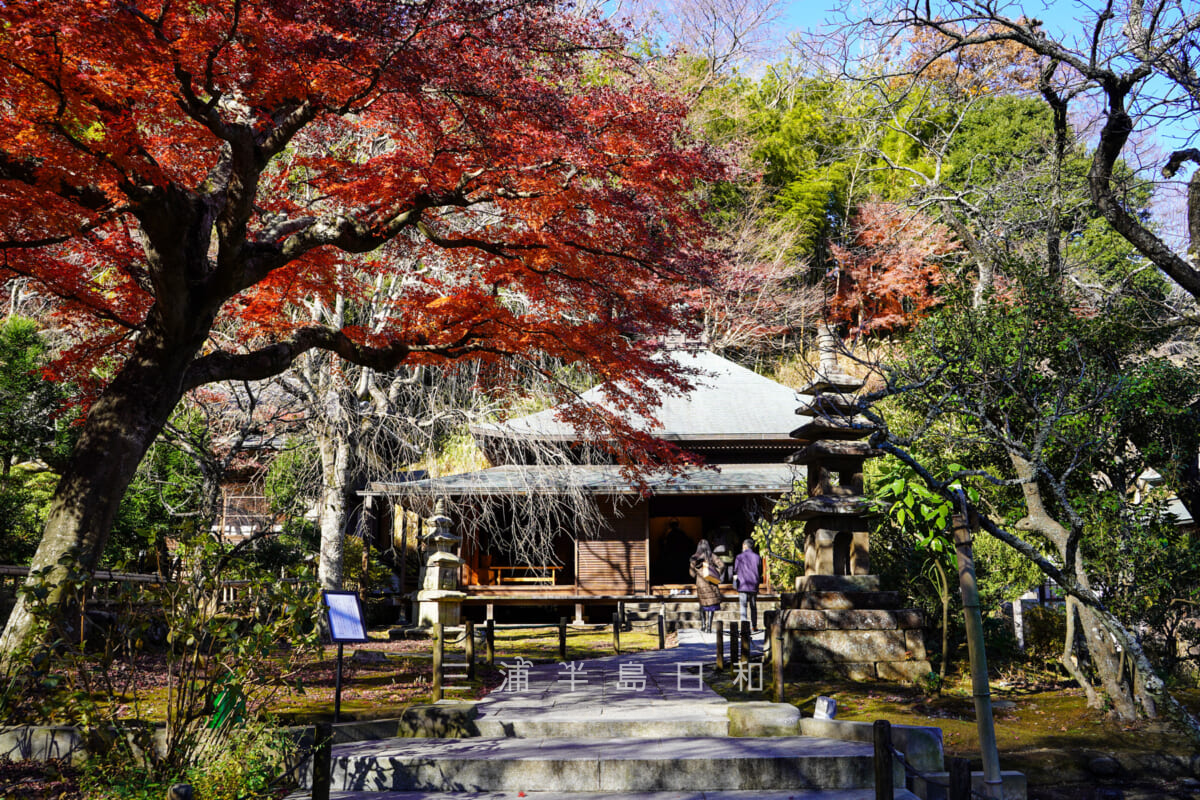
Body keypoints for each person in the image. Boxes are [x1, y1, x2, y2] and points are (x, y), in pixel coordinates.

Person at [688, 539, 723, 633]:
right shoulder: (712, 556)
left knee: (702, 603)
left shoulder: (694, 557)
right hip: (711, 581)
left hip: (700, 582)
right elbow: (722, 565)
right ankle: (709, 627)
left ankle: (703, 625)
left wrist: (696, 573)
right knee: (711, 604)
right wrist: (717, 573)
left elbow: (691, 573)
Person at [733, 538, 762, 631]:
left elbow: (735, 570)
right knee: (753, 606)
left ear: (744, 546)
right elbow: (760, 570)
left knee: (743, 606)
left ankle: (744, 626)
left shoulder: (739, 557)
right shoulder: (757, 557)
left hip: (742, 584)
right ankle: (754, 626)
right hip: (753, 584)